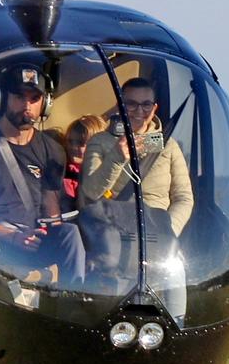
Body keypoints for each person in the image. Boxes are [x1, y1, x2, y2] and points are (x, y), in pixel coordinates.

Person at [0, 62, 86, 287]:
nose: (27, 106)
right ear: (3, 98)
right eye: (19, 97)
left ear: (45, 104)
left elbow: (53, 215)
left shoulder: (52, 150)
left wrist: (41, 232)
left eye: (34, 99)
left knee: (70, 234)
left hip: (33, 240)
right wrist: (11, 237)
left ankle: (74, 303)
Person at [80, 78, 193, 305]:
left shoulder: (167, 145)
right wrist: (117, 156)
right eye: (131, 104)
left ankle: (176, 323)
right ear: (120, 105)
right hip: (111, 232)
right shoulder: (100, 142)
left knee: (176, 270)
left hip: (157, 234)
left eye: (145, 105)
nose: (138, 111)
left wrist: (167, 229)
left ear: (154, 108)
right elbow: (90, 192)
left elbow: (183, 197)